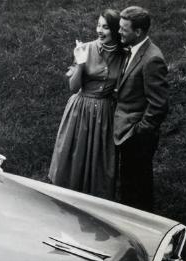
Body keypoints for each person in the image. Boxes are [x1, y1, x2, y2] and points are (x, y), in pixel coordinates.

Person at [49, 9, 124, 200]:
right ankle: (68, 198)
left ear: (115, 30)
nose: (99, 30)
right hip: (80, 110)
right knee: (75, 154)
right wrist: (81, 64)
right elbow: (73, 87)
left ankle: (95, 198)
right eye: (98, 25)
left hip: (105, 112)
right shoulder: (86, 49)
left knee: (99, 157)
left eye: (105, 27)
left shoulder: (123, 54)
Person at [114, 6, 169, 211]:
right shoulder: (133, 49)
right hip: (128, 132)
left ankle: (141, 230)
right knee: (130, 185)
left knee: (138, 190)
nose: (119, 32)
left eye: (123, 29)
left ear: (138, 32)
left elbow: (159, 105)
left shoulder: (152, 59)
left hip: (137, 137)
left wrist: (139, 132)